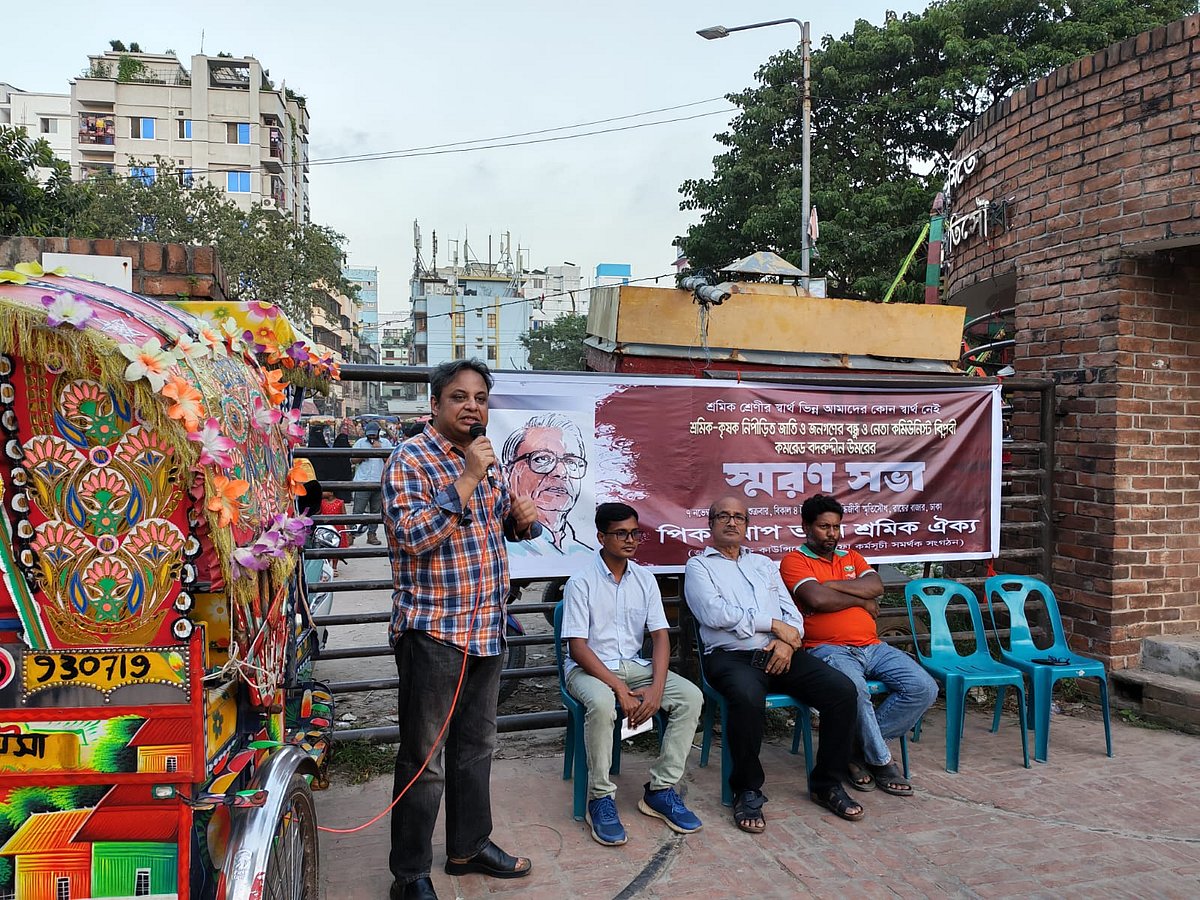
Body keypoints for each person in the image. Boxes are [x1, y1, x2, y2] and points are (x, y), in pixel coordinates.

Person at [381, 359, 540, 900]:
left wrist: (521, 519)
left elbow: (492, 533)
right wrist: (468, 476)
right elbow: (412, 536)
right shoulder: (412, 458)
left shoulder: (487, 459)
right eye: (459, 397)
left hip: (487, 626)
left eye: (480, 398)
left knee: (476, 747)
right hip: (434, 631)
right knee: (424, 760)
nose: (472, 406)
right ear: (435, 404)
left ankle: (469, 847)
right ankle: (409, 876)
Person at [684, 495, 864, 832]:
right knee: (747, 699)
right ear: (711, 524)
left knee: (842, 691)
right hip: (730, 658)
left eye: (739, 516)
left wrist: (784, 639)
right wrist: (772, 624)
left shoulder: (764, 564)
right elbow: (714, 614)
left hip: (781, 653)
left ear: (747, 525)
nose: (732, 522)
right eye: (723, 515)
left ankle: (827, 784)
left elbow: (793, 616)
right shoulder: (699, 566)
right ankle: (747, 790)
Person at [562, 502, 704, 846]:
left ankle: (660, 789)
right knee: (601, 704)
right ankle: (600, 797)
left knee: (690, 696)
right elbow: (578, 648)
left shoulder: (644, 578)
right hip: (588, 669)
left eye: (634, 533)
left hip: (634, 667)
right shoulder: (580, 582)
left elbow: (660, 637)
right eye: (620, 533)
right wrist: (620, 690)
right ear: (601, 536)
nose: (630, 540)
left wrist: (656, 688)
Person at [780, 494, 938, 797]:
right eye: (824, 527)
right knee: (855, 692)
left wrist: (834, 586)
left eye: (836, 527)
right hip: (827, 649)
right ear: (806, 527)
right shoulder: (794, 561)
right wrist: (861, 599)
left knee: (924, 687)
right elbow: (816, 599)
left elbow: (876, 586)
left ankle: (853, 748)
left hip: (873, 646)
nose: (832, 534)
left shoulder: (850, 556)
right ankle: (881, 762)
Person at [501, 413, 593, 557]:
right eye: (542, 459)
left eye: (571, 461)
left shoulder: (587, 556)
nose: (561, 472)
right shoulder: (496, 550)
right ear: (507, 474)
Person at [351, 421, 393, 545]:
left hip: (378, 481)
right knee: (357, 510)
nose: (372, 437)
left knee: (376, 511)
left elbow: (390, 461)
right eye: (369, 435)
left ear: (379, 433)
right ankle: (351, 534)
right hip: (362, 482)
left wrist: (379, 451)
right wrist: (363, 455)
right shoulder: (360, 443)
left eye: (374, 435)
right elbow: (352, 460)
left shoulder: (386, 443)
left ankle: (372, 535)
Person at [318, 490, 349, 575]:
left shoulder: (340, 503)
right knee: (326, 547)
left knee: (336, 549)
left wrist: (348, 530)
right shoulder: (322, 502)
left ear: (331, 492)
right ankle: (327, 567)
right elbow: (319, 512)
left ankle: (334, 568)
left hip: (338, 528)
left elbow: (344, 515)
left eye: (325, 491)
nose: (322, 493)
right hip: (327, 528)